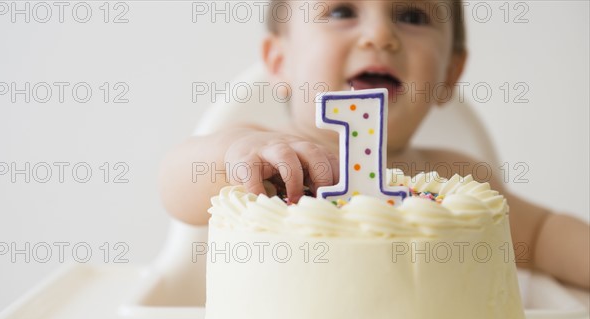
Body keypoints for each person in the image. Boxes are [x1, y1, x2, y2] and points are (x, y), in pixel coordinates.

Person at [159, 0, 589, 289]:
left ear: (449, 75)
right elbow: (177, 184)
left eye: (413, 16)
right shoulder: (267, 161)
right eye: (342, 10)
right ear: (279, 62)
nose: (380, 36)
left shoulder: (456, 181)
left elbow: (543, 234)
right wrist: (237, 151)